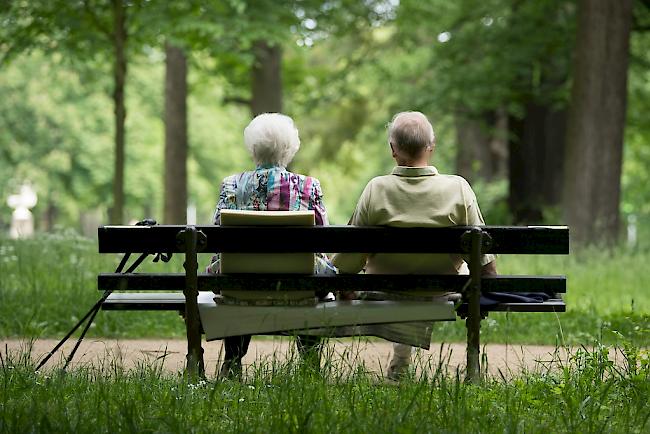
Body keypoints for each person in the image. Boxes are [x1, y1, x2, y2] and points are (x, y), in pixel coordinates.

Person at [332, 111, 497, 380]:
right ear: (430, 147)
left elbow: (351, 253)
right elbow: (483, 255)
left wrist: (346, 285)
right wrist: (488, 286)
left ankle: (401, 364)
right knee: (461, 274)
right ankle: (471, 366)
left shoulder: (377, 189)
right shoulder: (458, 188)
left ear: (393, 150)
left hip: (384, 289)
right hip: (442, 289)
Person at [209, 112, 333, 379]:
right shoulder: (309, 186)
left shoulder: (231, 185)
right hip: (299, 286)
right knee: (317, 271)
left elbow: (215, 237)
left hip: (239, 285)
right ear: (289, 150)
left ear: (252, 149)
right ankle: (310, 364)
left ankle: (232, 361)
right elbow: (323, 240)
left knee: (232, 273)